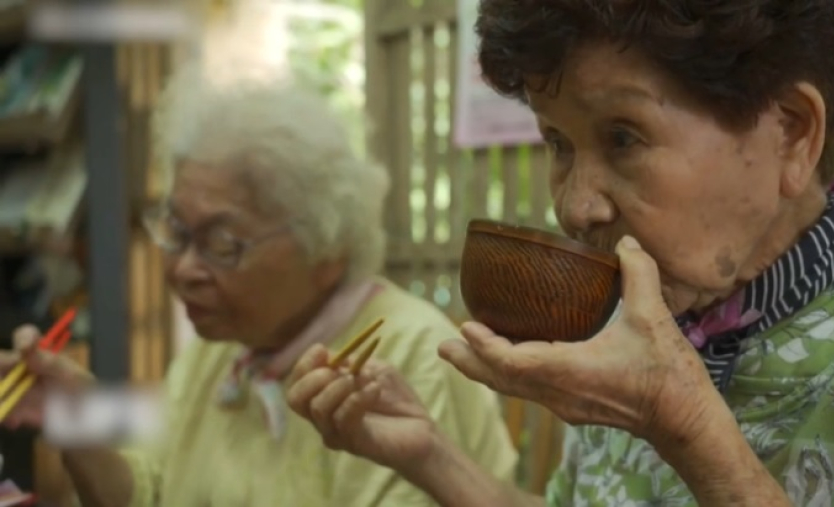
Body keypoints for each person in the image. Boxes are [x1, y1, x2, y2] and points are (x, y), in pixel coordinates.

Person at [287, 1, 834, 505]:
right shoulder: (641, 326)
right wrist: (428, 454)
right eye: (558, 142)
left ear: (791, 132)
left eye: (623, 137)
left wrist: (683, 425)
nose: (576, 208)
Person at [0, 68, 517, 506]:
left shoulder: (401, 357)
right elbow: (152, 491)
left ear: (327, 250)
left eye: (222, 243)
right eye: (176, 231)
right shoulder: (227, 347)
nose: (182, 269)